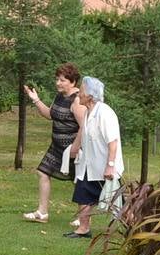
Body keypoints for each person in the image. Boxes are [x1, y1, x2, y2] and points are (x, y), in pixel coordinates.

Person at [21, 63, 85, 223]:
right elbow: (50, 114)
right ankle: (42, 213)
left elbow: (85, 127)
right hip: (57, 147)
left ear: (73, 81)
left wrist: (76, 148)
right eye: (57, 79)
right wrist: (36, 100)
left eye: (62, 80)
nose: (58, 83)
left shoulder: (77, 100)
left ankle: (83, 218)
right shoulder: (60, 96)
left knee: (78, 181)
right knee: (43, 172)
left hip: (73, 149)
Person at [62, 75, 122, 238]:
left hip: (104, 167)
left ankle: (131, 224)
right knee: (82, 194)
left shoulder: (104, 113)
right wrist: (74, 151)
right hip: (89, 165)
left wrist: (110, 165)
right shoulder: (89, 112)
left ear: (89, 95)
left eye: (80, 91)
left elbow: (113, 142)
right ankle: (83, 229)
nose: (78, 94)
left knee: (115, 201)